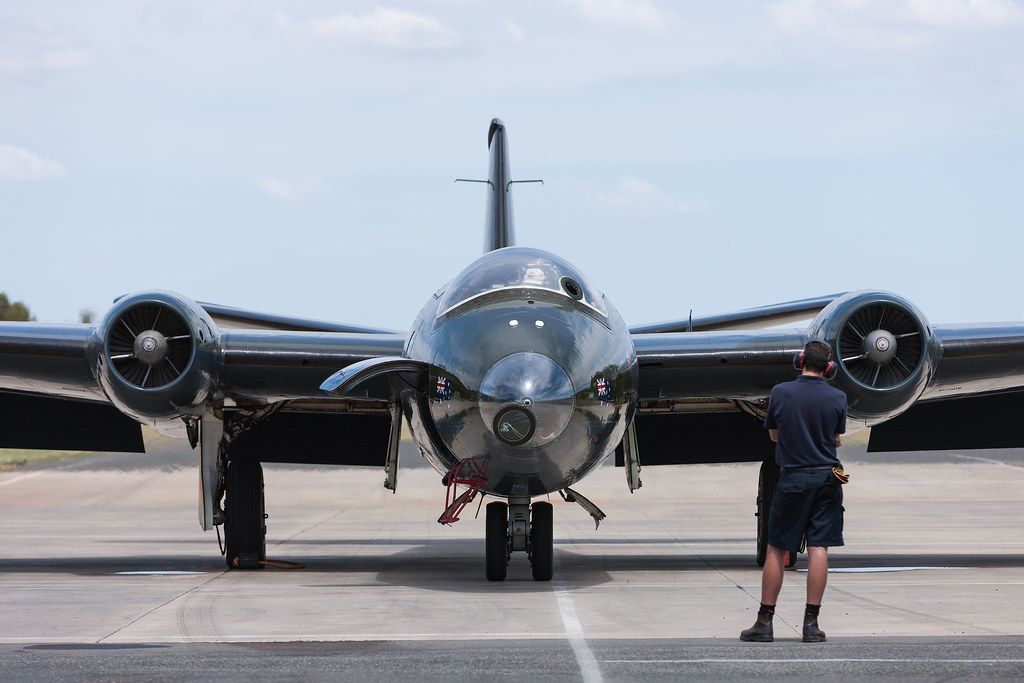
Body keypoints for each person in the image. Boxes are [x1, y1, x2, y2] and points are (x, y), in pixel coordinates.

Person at [740, 340, 847, 643]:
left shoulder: (780, 393)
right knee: (818, 548)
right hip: (828, 479)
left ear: (800, 361)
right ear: (829, 368)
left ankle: (765, 622)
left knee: (777, 548)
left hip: (794, 479)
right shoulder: (838, 397)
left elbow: (774, 434)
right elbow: (836, 438)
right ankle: (811, 624)